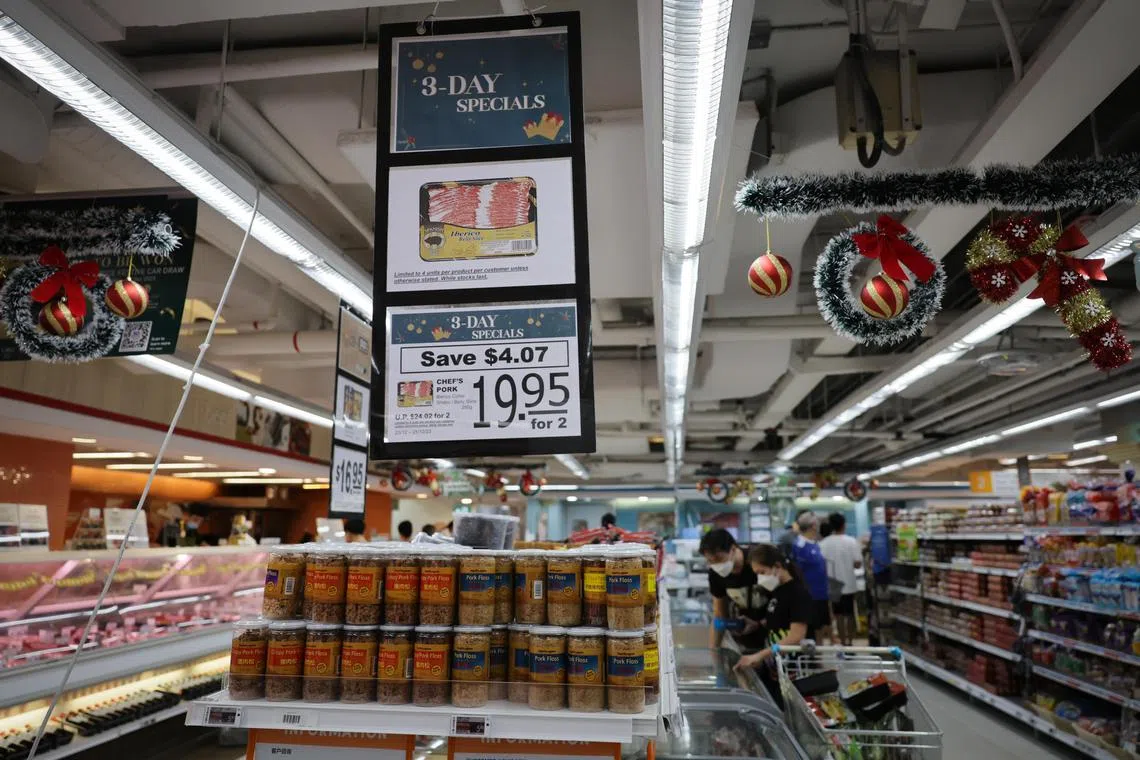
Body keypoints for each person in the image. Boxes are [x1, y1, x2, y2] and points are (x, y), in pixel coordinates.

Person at [733, 543, 811, 708]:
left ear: (777, 566)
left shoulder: (797, 593)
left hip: (793, 673)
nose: (760, 578)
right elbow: (779, 621)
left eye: (762, 572)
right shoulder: (777, 591)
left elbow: (796, 636)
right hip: (776, 670)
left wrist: (760, 655)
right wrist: (756, 624)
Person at [699, 528, 771, 654]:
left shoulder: (759, 562)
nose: (715, 565)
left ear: (733, 549)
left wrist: (759, 624)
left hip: (773, 638)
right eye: (710, 561)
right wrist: (714, 651)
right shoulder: (715, 574)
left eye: (718, 558)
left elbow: (786, 605)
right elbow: (719, 613)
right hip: (743, 640)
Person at [820, 513, 863, 645]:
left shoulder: (824, 543)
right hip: (849, 583)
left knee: (838, 615)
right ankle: (850, 643)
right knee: (850, 614)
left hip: (833, 584)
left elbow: (821, 564)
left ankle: (843, 643)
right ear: (844, 525)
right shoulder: (851, 541)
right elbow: (858, 563)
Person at [791, 511, 831, 643]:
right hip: (810, 595)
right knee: (812, 629)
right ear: (813, 525)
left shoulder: (815, 544)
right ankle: (814, 655)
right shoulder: (799, 546)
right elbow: (796, 571)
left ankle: (819, 653)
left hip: (821, 593)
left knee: (821, 627)